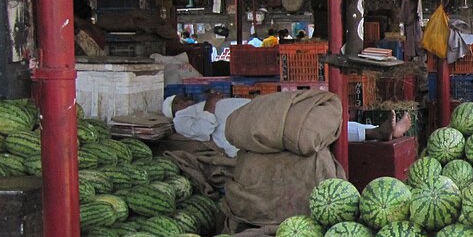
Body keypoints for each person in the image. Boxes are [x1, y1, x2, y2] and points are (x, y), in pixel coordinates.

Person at [165, 93, 411, 157]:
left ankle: (375, 131)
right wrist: (211, 103)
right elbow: (204, 130)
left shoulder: (191, 110)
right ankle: (374, 132)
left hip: (262, 114)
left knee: (316, 119)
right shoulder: (181, 118)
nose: (186, 99)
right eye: (180, 100)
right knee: (310, 128)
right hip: (256, 128)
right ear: (175, 107)